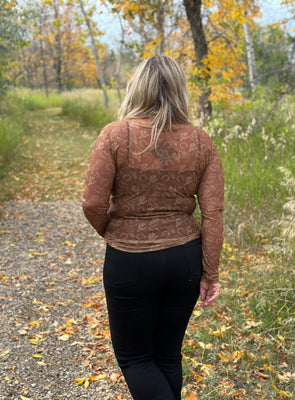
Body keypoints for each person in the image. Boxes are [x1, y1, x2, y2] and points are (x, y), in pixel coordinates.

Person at [82, 55, 224, 400]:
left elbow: (92, 203)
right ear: (180, 90)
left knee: (135, 359)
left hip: (129, 261)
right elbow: (213, 212)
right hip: (186, 261)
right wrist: (210, 272)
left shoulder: (114, 135)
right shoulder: (201, 140)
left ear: (137, 87)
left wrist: (113, 231)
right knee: (166, 354)